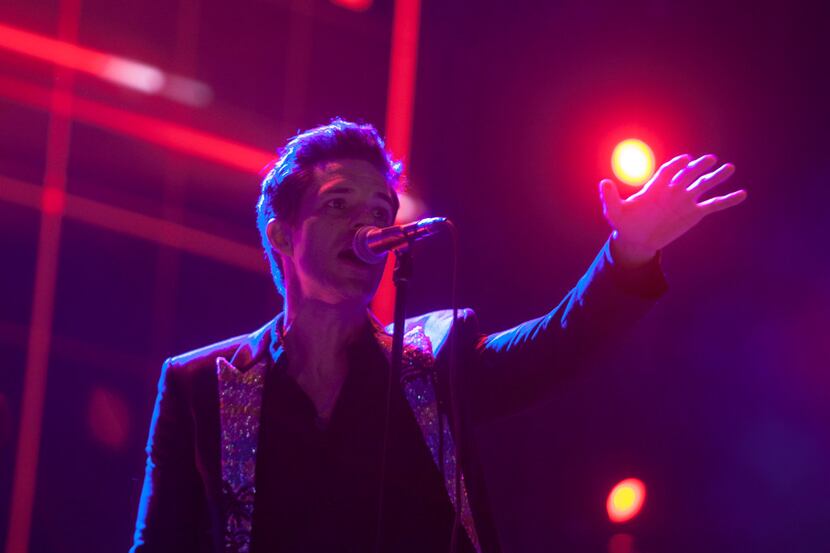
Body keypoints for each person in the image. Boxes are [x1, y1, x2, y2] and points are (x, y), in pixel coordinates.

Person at [129, 119, 747, 553]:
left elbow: (557, 344)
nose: (369, 225)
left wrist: (629, 252)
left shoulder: (431, 360)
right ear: (282, 234)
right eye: (339, 205)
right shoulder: (200, 385)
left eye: (380, 211)